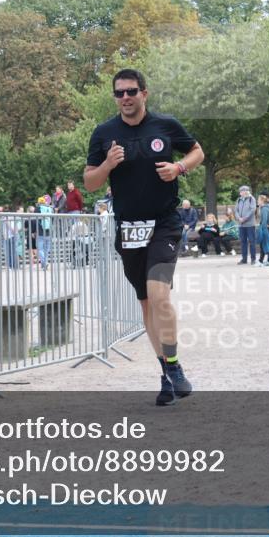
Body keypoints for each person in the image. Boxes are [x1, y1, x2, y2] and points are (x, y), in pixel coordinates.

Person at [84, 67, 204, 406]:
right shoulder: (104, 133)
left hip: (164, 223)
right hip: (129, 228)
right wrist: (107, 165)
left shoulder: (165, 126)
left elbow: (197, 151)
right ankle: (166, 371)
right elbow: (90, 182)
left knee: (158, 293)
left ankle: (175, 366)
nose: (125, 98)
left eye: (131, 92)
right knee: (147, 303)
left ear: (144, 93)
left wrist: (179, 168)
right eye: (119, 93)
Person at [235, 185, 258, 265]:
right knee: (243, 242)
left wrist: (244, 218)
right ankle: (244, 259)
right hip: (241, 225)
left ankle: (253, 259)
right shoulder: (238, 200)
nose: (242, 192)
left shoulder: (252, 199)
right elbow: (236, 211)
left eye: (244, 191)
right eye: (241, 191)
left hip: (250, 224)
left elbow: (252, 210)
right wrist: (239, 218)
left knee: (252, 241)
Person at [257, 194, 269, 266]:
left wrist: (262, 229)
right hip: (267, 229)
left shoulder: (264, 208)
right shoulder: (265, 207)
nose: (257, 201)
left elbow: (264, 221)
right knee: (265, 244)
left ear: (262, 201)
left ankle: (261, 261)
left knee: (264, 245)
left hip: (266, 229)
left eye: (258, 200)